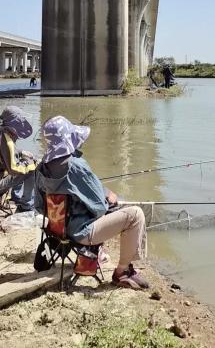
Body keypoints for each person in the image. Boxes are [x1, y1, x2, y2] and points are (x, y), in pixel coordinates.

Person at [35, 116, 149, 289]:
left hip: (58, 232)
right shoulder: (76, 166)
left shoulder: (41, 168)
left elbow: (38, 206)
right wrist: (107, 196)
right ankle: (122, 272)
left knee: (118, 207)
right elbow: (100, 207)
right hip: (82, 234)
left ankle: (108, 258)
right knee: (136, 214)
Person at [0, 106, 36, 212]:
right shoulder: (7, 141)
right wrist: (31, 164)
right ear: (14, 123)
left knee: (21, 164)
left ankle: (16, 197)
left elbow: (2, 151)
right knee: (30, 170)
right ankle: (26, 205)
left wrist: (21, 152)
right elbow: (13, 170)